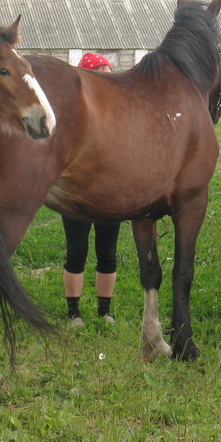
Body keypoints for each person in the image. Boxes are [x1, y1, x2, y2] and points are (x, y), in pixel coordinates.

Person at [62, 52, 121, 326]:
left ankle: (104, 310)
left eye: (110, 75)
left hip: (110, 193)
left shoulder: (119, 114)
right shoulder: (73, 113)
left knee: (108, 251)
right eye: (102, 75)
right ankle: (74, 312)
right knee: (77, 250)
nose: (108, 81)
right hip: (78, 194)